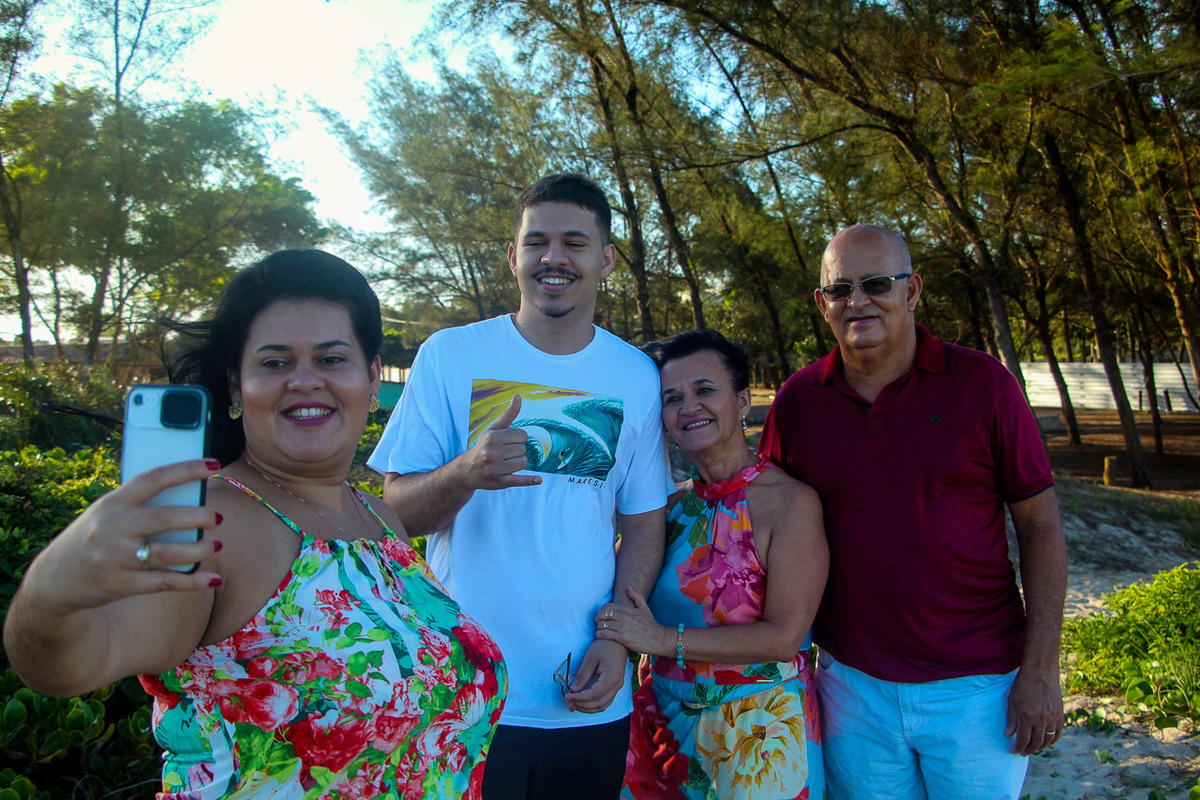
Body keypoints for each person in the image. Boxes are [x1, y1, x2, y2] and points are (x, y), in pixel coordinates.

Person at [3, 250, 506, 799]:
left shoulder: (377, 517)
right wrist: (49, 594)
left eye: (331, 359)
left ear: (370, 376)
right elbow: (76, 663)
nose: (305, 380)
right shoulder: (209, 523)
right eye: (275, 362)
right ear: (238, 386)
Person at [368, 174, 674, 799]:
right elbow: (394, 512)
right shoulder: (450, 356)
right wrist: (466, 472)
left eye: (574, 243)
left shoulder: (635, 374)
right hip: (463, 689)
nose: (553, 258)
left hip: (587, 694)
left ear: (606, 259)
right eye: (536, 242)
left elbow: (643, 520)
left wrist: (618, 643)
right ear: (513, 257)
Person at [759, 224, 1068, 799]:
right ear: (821, 302)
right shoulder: (798, 402)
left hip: (977, 688)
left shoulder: (983, 385)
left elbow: (1041, 526)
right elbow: (760, 514)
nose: (858, 301)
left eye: (876, 283)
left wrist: (1041, 669)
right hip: (851, 685)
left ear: (913, 290)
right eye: (839, 288)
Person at [595, 329, 828, 800]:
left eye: (705, 390)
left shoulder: (789, 503)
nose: (689, 407)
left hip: (758, 734)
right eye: (672, 398)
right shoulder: (667, 511)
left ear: (742, 400)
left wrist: (660, 640)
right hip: (663, 726)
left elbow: (783, 638)